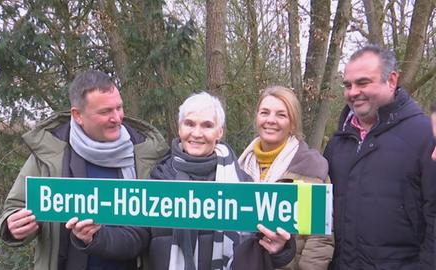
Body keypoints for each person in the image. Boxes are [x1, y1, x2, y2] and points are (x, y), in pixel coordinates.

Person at [68, 91, 296, 270]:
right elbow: (134, 239)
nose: (197, 133)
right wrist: (94, 237)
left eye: (207, 125)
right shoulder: (158, 179)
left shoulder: (242, 184)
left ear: (220, 132)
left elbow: (259, 253)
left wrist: (280, 249)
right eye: (190, 124)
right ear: (179, 128)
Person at [0, 70, 169, 270]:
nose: (117, 118)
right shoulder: (50, 153)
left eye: (119, 108)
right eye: (105, 112)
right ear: (78, 115)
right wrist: (13, 225)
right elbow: (15, 208)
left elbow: (159, 225)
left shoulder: (146, 152)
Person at [323, 45, 436, 269]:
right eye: (347, 85)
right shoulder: (338, 143)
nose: (353, 92)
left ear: (392, 80)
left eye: (363, 83)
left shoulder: (426, 136)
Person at [238, 86, 333, 270]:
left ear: (293, 124)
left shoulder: (311, 170)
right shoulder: (239, 167)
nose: (270, 120)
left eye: (281, 115)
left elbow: (319, 242)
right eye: (265, 112)